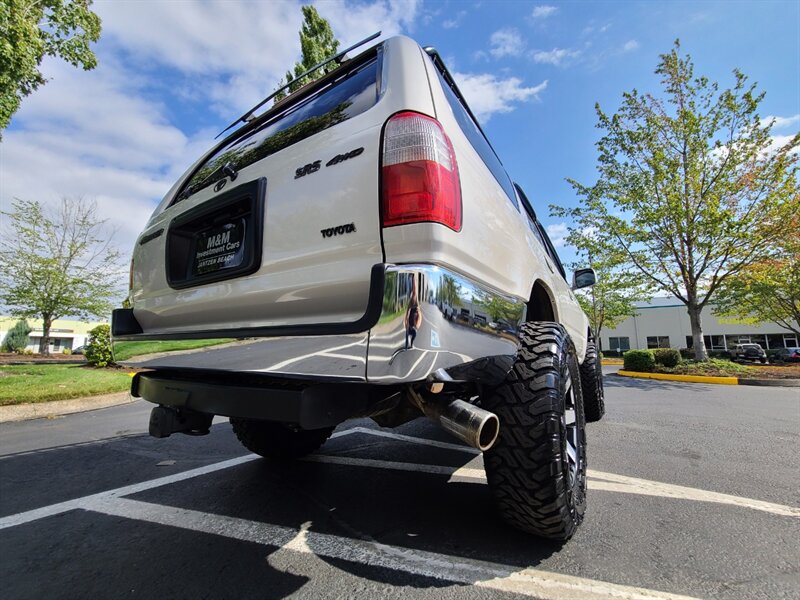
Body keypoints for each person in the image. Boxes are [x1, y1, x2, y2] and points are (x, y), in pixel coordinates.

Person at [404, 277, 423, 349]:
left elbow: (418, 314)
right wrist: (407, 323)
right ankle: (406, 345)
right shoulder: (410, 304)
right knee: (407, 334)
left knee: (414, 334)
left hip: (413, 324)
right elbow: (407, 314)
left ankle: (411, 343)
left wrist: (416, 324)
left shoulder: (416, 305)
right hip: (409, 323)